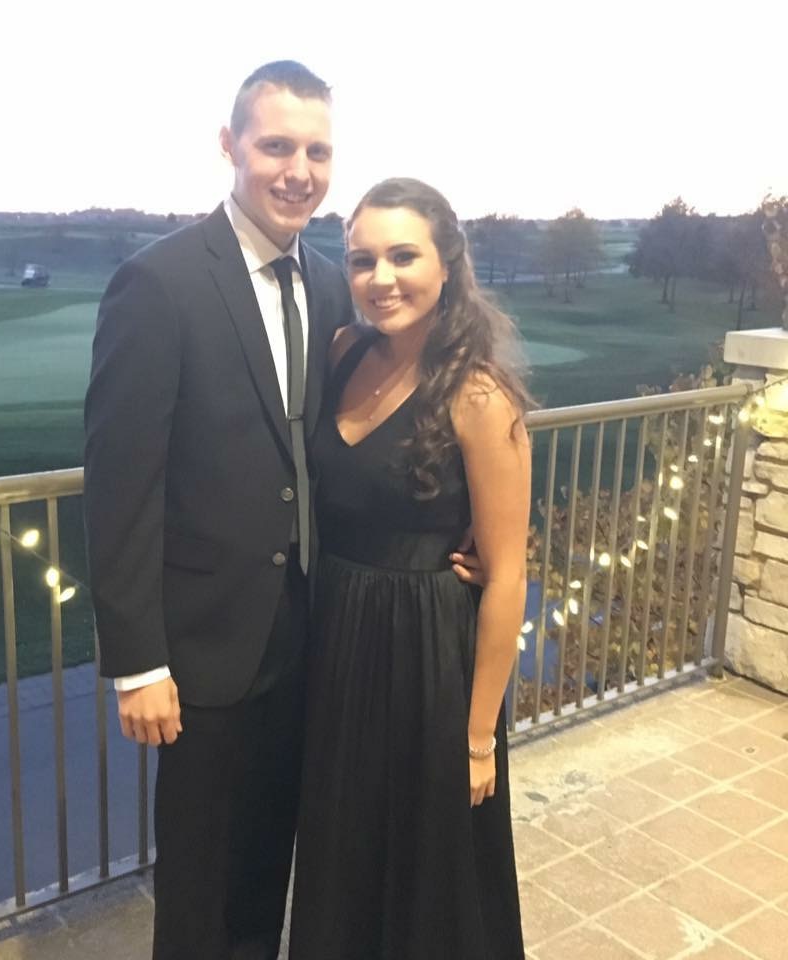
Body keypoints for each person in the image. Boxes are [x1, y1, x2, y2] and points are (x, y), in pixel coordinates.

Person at [83, 61, 356, 959]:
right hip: (203, 646)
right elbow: (121, 485)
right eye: (276, 146)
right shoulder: (158, 284)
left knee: (268, 862)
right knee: (199, 883)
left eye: (317, 151)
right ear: (230, 146)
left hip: (307, 634)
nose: (298, 171)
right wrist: (137, 663)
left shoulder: (330, 284)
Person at [290, 178, 530, 959]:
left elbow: (507, 577)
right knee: (345, 849)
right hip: (339, 638)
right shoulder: (343, 351)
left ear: (447, 264)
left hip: (428, 657)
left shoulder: (480, 397)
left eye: (403, 256)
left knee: (430, 869)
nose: (380, 278)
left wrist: (477, 738)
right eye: (363, 260)